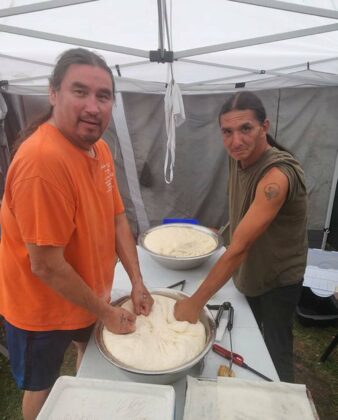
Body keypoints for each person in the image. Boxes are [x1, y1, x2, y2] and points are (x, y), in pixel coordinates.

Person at [0, 48, 154, 420]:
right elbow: (47, 267)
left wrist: (137, 281)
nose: (93, 106)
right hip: (41, 306)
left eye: (103, 96)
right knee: (42, 386)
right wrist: (106, 312)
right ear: (53, 93)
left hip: (85, 292)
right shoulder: (42, 163)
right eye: (79, 91)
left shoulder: (97, 147)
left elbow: (117, 216)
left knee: (90, 359)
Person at [175, 91, 308, 383]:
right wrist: (222, 229)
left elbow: (238, 249)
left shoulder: (277, 177)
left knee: (275, 350)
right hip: (251, 270)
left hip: (278, 278)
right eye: (227, 132)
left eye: (246, 128)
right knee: (249, 337)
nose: (236, 140)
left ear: (265, 126)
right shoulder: (240, 158)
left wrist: (195, 302)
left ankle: (284, 403)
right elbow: (246, 208)